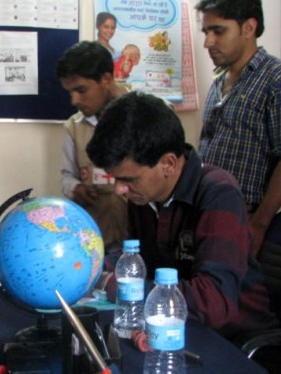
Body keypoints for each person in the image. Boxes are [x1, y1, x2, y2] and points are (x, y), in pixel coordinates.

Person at [86, 91, 279, 341]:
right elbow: (141, 260)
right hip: (174, 327)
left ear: (168, 163)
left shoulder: (219, 194)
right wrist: (91, 264)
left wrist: (116, 285)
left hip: (233, 340)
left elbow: (214, 302)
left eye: (127, 179)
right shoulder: (144, 194)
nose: (119, 189)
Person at [195, 0, 281, 253]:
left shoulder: (274, 80)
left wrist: (259, 225)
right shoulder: (218, 81)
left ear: (249, 28)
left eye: (218, 31)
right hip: (207, 214)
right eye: (206, 32)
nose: (208, 42)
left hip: (246, 220)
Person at [56, 41, 128, 253]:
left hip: (138, 241)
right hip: (95, 241)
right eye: (70, 92)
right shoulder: (74, 127)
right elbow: (67, 176)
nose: (74, 100)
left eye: (81, 90)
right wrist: (75, 188)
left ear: (106, 79)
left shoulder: (143, 116)